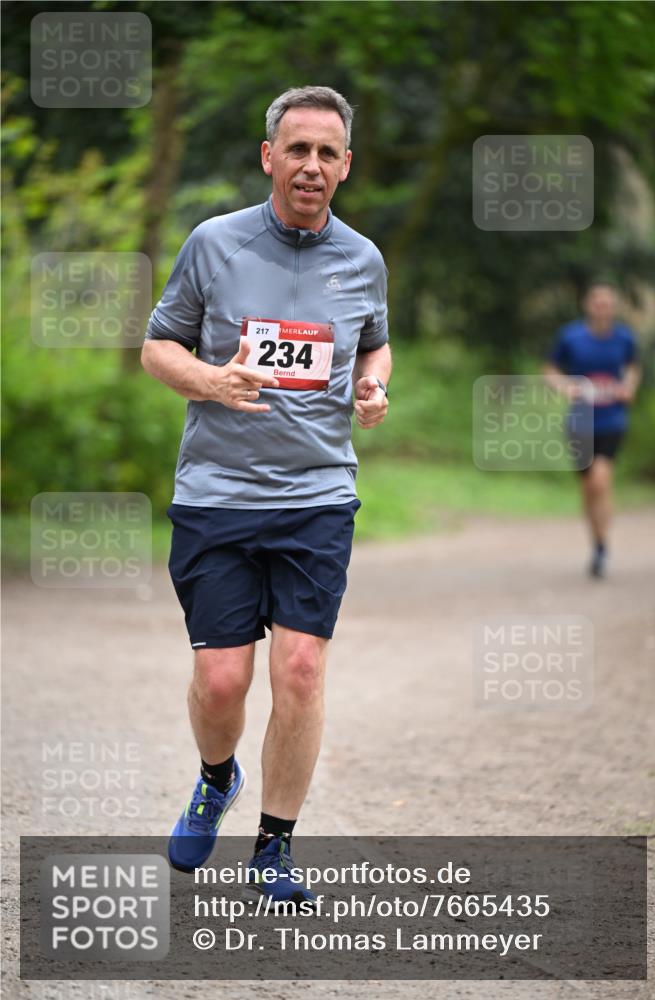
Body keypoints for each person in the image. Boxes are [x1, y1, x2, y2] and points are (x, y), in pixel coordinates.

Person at [141, 86, 391, 902]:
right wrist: (211, 380)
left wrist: (373, 387)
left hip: (318, 494)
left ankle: (274, 848)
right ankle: (217, 777)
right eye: (297, 149)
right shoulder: (214, 244)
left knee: (302, 668)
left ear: (345, 166)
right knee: (220, 682)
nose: (310, 165)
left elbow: (375, 347)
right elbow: (156, 347)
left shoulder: (363, 259)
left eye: (326, 153)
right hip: (217, 493)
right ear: (268, 158)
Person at [544, 282, 640, 578]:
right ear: (588, 305)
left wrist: (628, 388)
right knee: (588, 488)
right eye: (597, 302)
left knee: (601, 480)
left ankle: (602, 545)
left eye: (607, 303)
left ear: (613, 308)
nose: (602, 307)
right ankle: (596, 542)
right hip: (580, 422)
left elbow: (634, 367)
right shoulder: (571, 337)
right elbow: (550, 370)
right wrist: (566, 387)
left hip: (612, 420)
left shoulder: (624, 338)